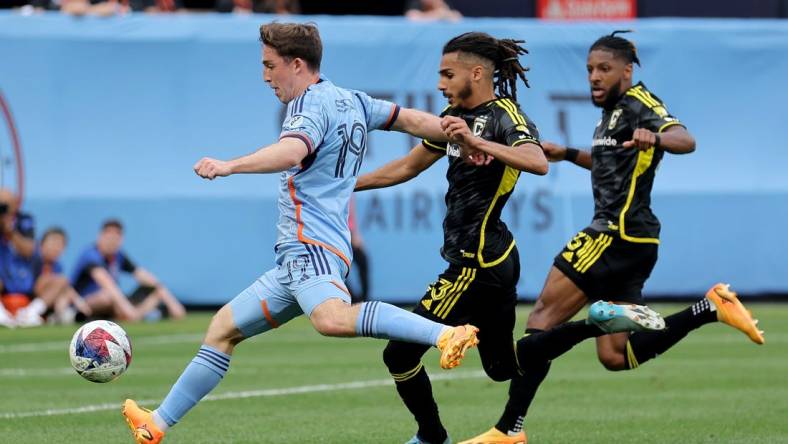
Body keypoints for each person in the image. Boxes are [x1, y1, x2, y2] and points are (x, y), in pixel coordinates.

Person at [121, 22, 483, 444]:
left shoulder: (309, 106)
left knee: (330, 319)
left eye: (269, 65)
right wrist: (463, 135)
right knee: (223, 328)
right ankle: (156, 424)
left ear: (296, 63)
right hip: (298, 259)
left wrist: (229, 165)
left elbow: (294, 149)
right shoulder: (351, 100)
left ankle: (444, 333)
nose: (265, 76)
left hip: (311, 247)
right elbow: (411, 120)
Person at [355, 32, 663, 444]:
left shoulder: (505, 116)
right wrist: (345, 186)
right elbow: (407, 168)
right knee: (505, 368)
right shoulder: (453, 115)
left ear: (476, 73)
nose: (440, 83)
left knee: (398, 353)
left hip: (474, 263)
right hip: (497, 259)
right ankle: (594, 323)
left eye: (447, 74)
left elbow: (537, 162)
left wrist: (477, 142)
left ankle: (431, 436)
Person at [459, 31, 765, 444]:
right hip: (637, 242)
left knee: (542, 320)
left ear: (627, 70)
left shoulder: (639, 103)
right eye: (589, 70)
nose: (594, 77)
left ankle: (509, 429)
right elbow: (607, 164)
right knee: (616, 356)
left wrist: (656, 136)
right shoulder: (612, 113)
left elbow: (685, 139)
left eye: (603, 69)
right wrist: (566, 153)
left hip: (612, 234)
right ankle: (709, 308)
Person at [72, 219, 186, 322]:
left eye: (116, 238)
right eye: (109, 237)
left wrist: (171, 302)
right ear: (100, 236)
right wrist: (128, 309)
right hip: (83, 301)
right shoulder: (90, 254)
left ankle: (135, 314)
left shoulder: (118, 255)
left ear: (121, 239)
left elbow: (143, 275)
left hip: (113, 301)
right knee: (108, 296)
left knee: (154, 290)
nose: (112, 242)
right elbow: (107, 283)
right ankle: (136, 314)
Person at [14, 227, 93, 325]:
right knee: (62, 281)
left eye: (60, 245)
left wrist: (79, 301)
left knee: (65, 292)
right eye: (53, 243)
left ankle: (57, 316)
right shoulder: (34, 257)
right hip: (27, 294)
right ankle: (30, 313)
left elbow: (65, 287)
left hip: (48, 302)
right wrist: (78, 301)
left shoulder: (57, 266)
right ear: (42, 244)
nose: (56, 248)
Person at [0, 188, 36, 327]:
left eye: (5, 206)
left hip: (21, 274)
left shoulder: (24, 220)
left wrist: (11, 231)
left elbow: (28, 250)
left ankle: (30, 313)